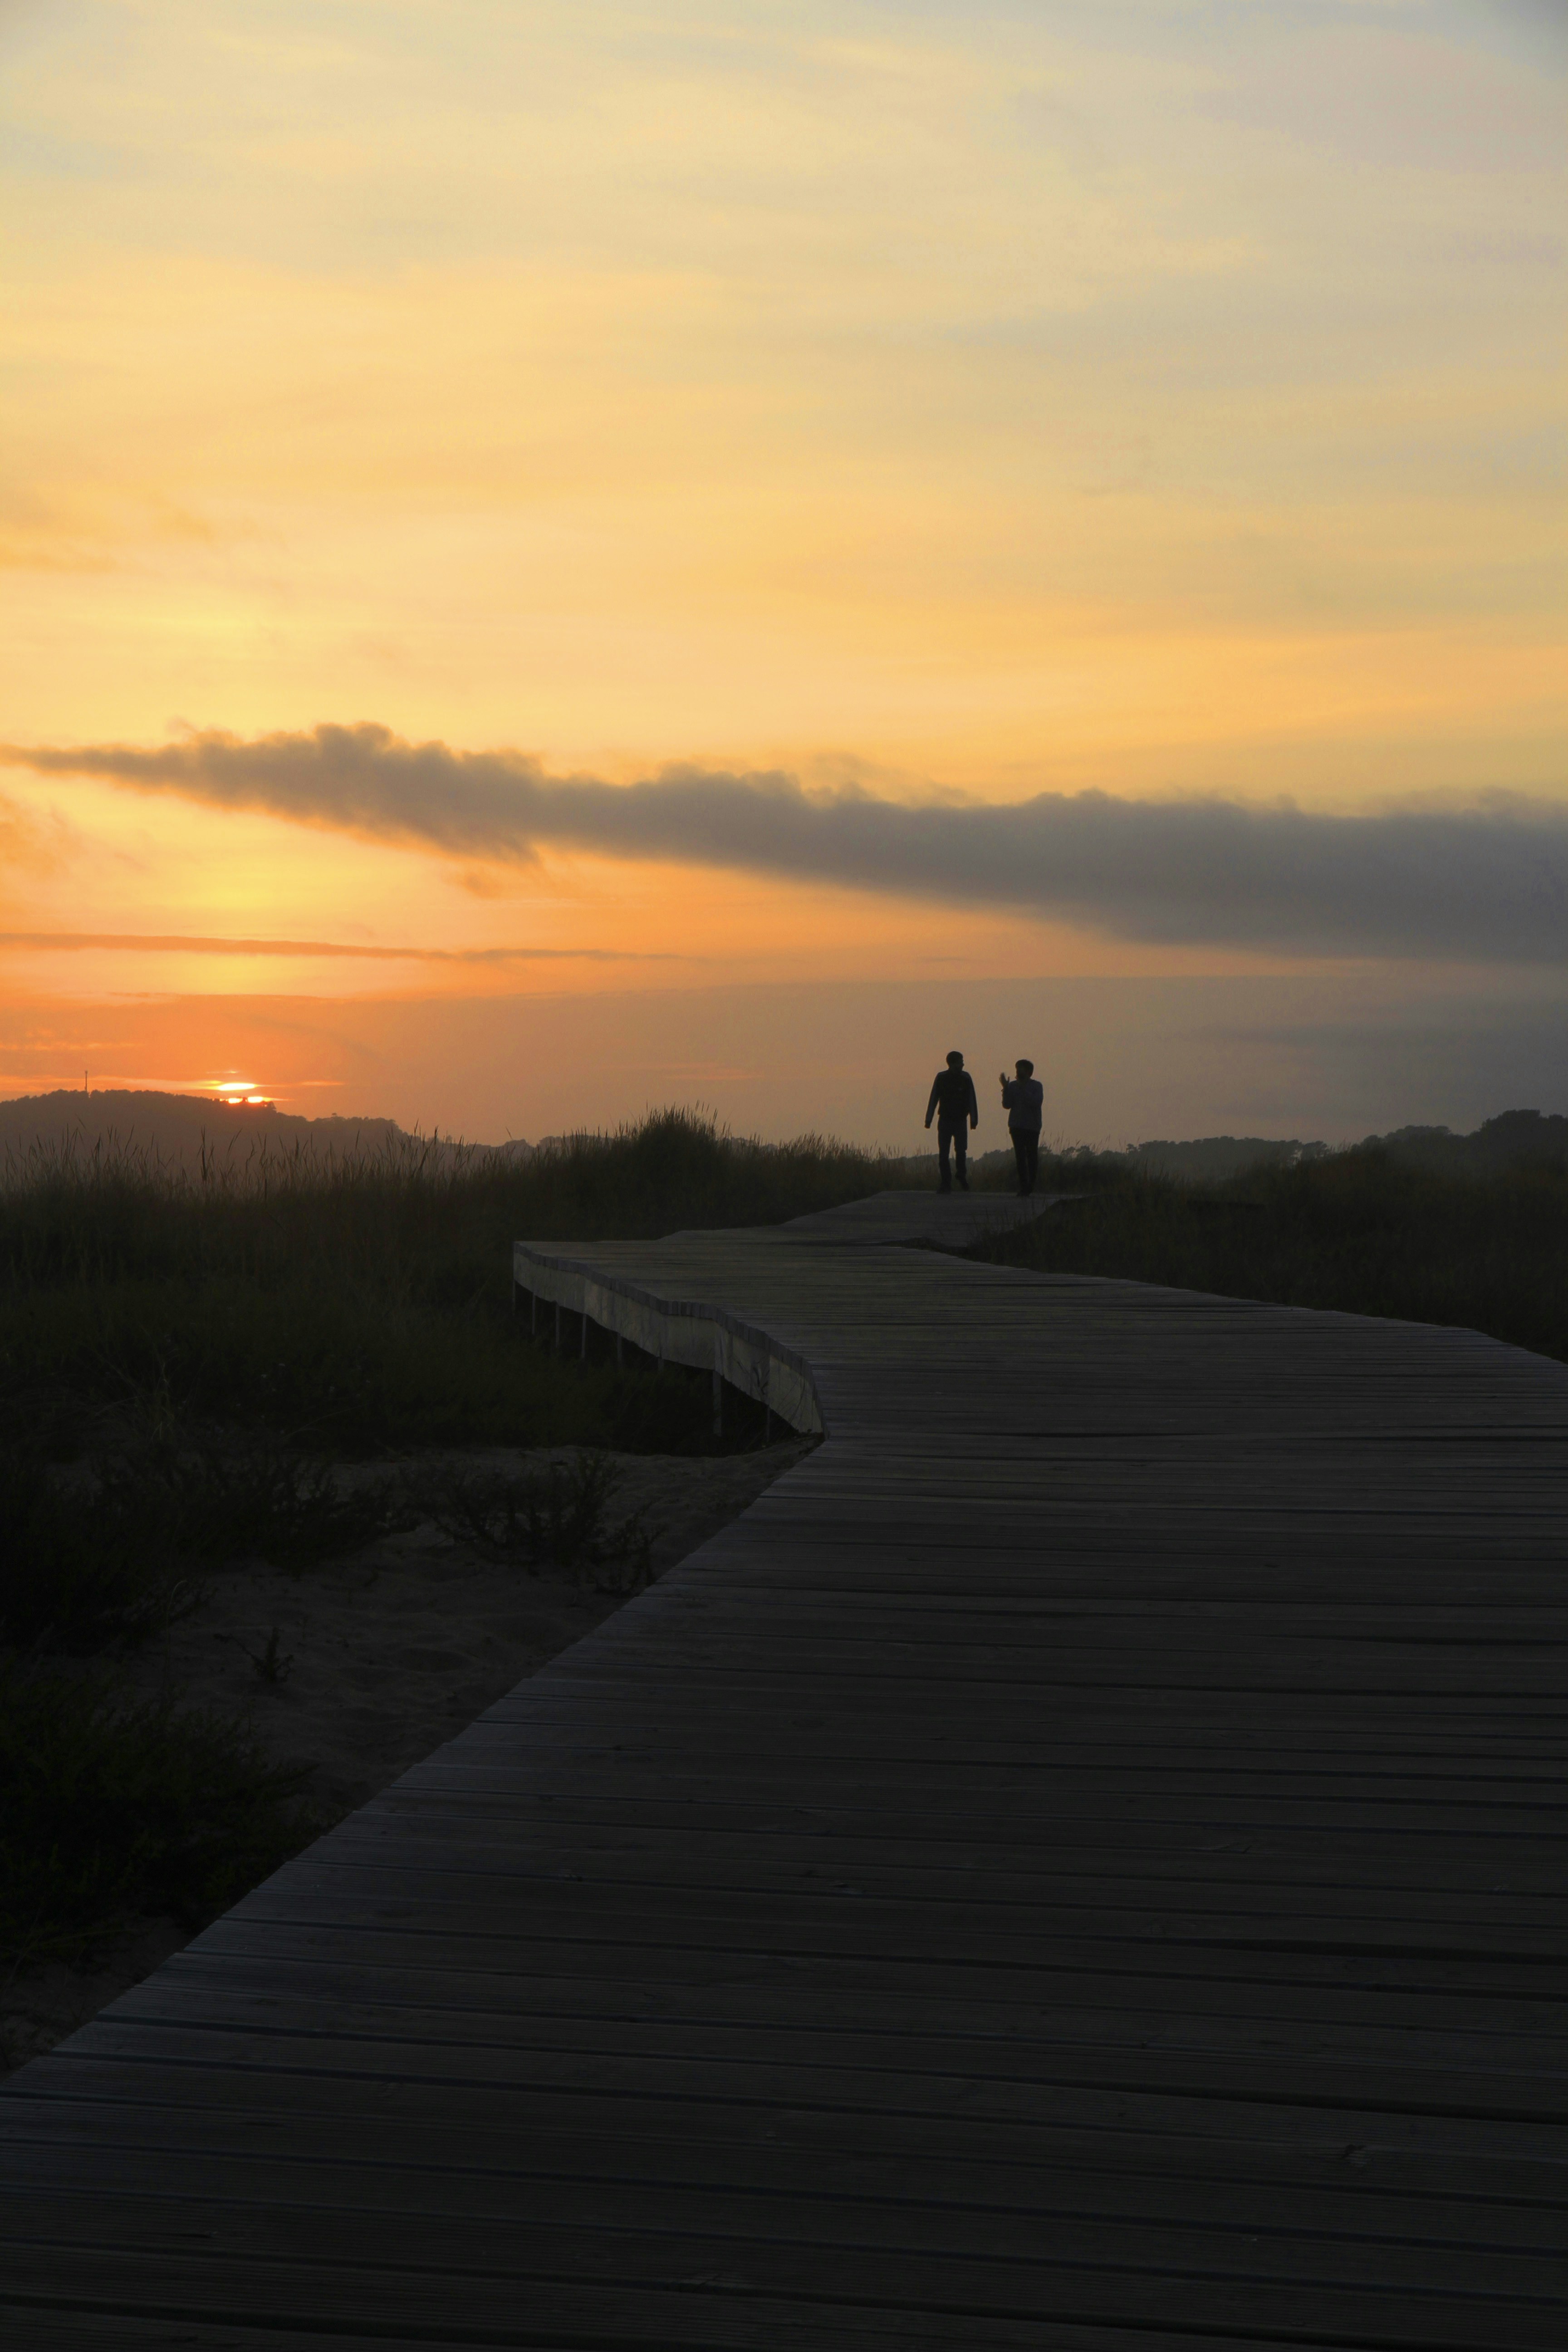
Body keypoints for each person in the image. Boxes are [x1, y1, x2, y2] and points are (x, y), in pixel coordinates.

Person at [924, 1050, 979, 1192]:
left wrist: (974, 1119)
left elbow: (971, 1098)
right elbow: (934, 1098)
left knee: (961, 1151)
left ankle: (961, 1176)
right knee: (944, 1153)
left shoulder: (966, 1078)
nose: (963, 1064)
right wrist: (929, 1119)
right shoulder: (941, 1078)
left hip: (961, 1121)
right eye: (961, 1062)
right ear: (953, 1063)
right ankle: (946, 1183)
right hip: (945, 1121)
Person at [999, 1058, 1044, 1196]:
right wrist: (1006, 1089)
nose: (1018, 1072)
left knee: (1032, 1156)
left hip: (1032, 1127)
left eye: (1021, 1069)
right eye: (1017, 1069)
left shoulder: (1037, 1086)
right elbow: (1007, 1105)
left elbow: (1036, 1103)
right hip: (1016, 1126)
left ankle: (1031, 1185)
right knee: (1020, 1157)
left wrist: (1024, 1088)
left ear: (1029, 1072)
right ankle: (1023, 1186)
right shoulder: (1012, 1086)